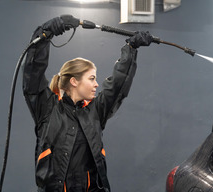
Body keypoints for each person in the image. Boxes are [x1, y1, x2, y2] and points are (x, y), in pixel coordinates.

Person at [22, 16, 153, 192]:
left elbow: (116, 87)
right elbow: (33, 73)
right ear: (74, 81)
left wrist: (130, 49)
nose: (96, 84)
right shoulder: (47, 108)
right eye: (91, 78)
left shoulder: (96, 111)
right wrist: (45, 33)